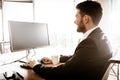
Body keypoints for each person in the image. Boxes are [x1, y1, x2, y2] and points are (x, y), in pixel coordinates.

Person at [27, 1, 112, 80]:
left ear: (86, 18)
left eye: (76, 17)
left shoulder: (90, 43)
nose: (75, 21)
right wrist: (57, 59)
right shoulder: (100, 36)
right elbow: (79, 57)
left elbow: (62, 73)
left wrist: (36, 65)